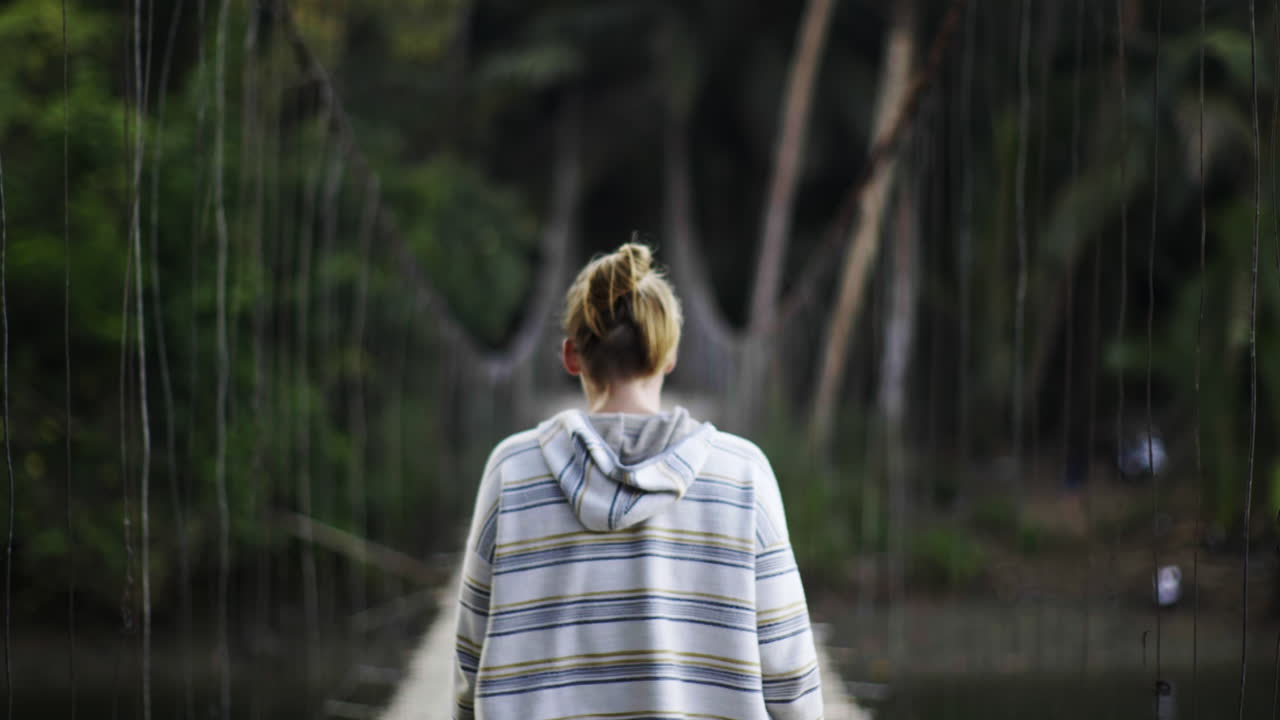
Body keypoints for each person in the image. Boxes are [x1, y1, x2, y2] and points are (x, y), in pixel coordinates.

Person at [452, 242, 822, 719]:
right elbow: (790, 674)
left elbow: (469, 659)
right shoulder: (744, 475)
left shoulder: (512, 470)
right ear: (668, 356)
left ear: (571, 356)